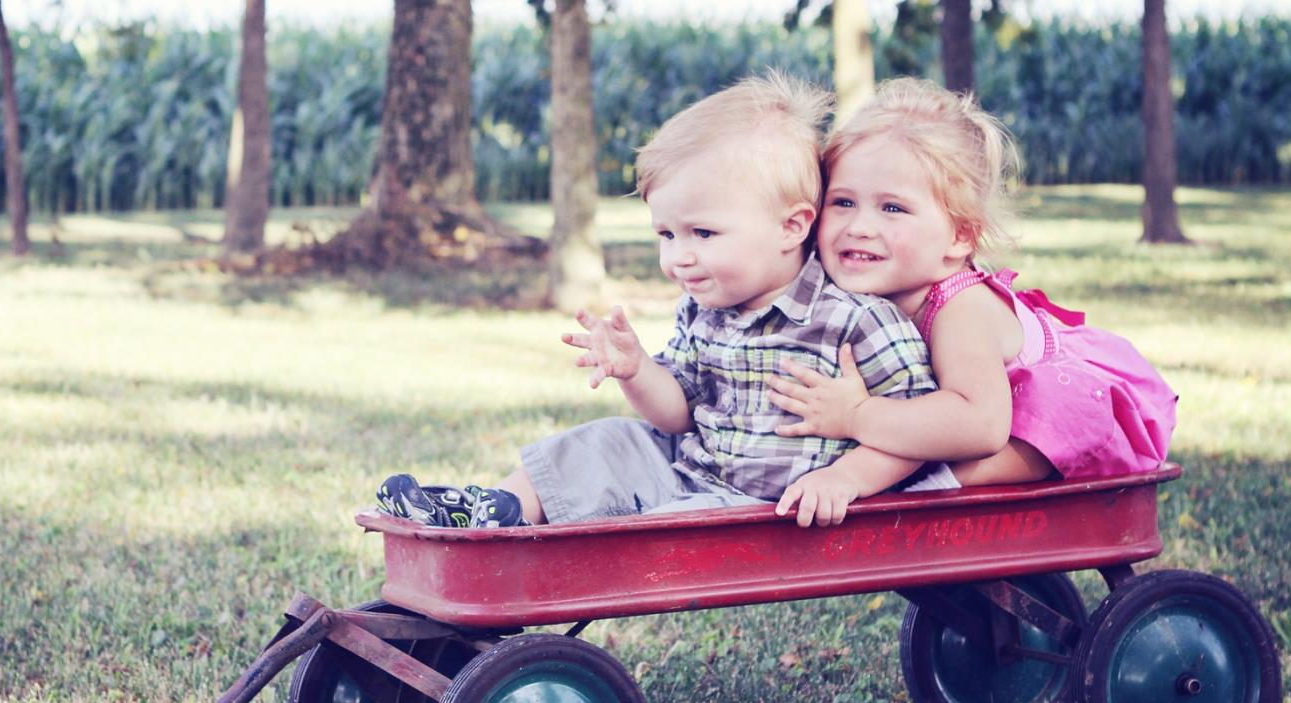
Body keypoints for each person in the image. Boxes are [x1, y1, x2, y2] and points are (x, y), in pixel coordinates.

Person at [374, 72, 950, 530]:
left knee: (661, 531)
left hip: (763, 511)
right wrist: (637, 371)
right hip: (690, 471)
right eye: (666, 235)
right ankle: (493, 510)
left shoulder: (856, 320)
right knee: (607, 439)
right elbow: (676, 412)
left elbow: (919, 434)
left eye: (702, 234)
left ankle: (550, 548)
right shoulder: (705, 307)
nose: (679, 258)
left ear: (790, 226)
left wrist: (847, 478)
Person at [769, 77, 1178, 485]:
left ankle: (935, 485)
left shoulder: (960, 311)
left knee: (982, 447)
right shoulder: (861, 287)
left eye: (892, 208)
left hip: (1061, 415)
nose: (859, 226)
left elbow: (980, 425)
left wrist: (857, 417)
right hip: (980, 410)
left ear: (960, 236)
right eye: (843, 202)